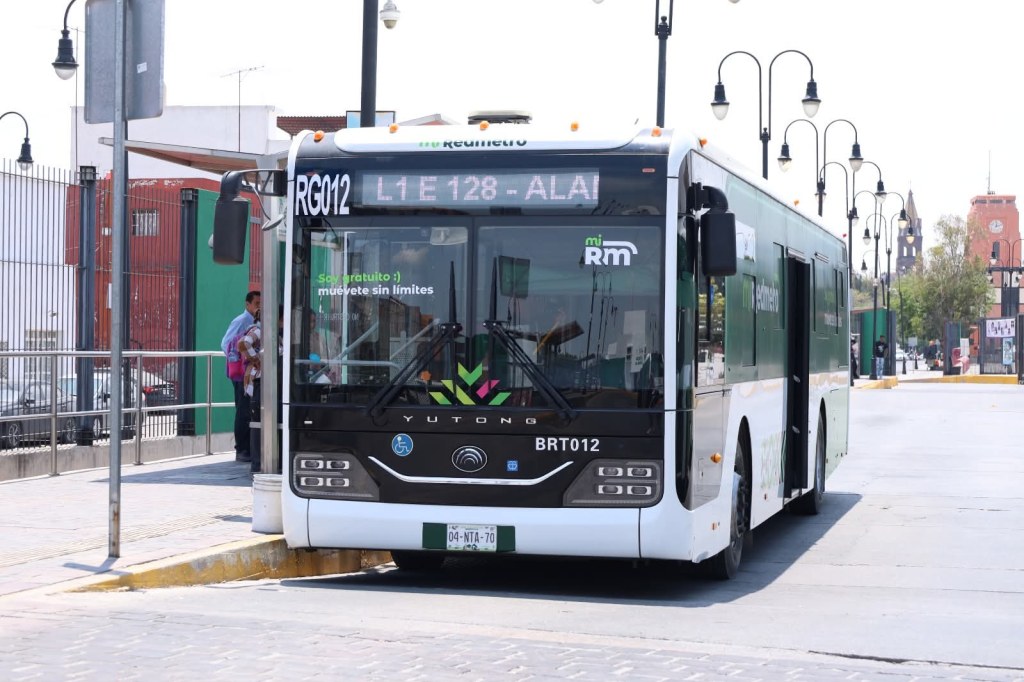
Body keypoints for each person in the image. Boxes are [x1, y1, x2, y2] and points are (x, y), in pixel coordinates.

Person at [238, 305, 283, 474]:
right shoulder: (260, 330)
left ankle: (267, 461)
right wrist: (256, 359)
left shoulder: (272, 333)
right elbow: (243, 343)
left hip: (265, 381)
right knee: (258, 422)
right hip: (260, 382)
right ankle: (258, 463)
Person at [221, 290, 260, 463]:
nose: (259, 307)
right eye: (257, 304)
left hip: (251, 372)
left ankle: (249, 447)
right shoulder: (242, 321)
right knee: (243, 410)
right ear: (248, 304)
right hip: (241, 373)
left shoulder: (257, 322)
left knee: (251, 409)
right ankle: (242, 449)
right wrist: (242, 359)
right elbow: (226, 344)